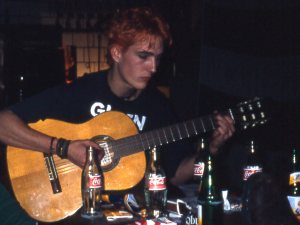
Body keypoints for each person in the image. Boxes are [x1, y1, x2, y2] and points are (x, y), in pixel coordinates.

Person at [0, 6, 234, 222]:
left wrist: (211, 149)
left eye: (158, 58)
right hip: (77, 213)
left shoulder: (158, 106)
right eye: (143, 56)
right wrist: (62, 147)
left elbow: (175, 175)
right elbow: (3, 123)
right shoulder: (82, 91)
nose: (153, 68)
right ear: (117, 52)